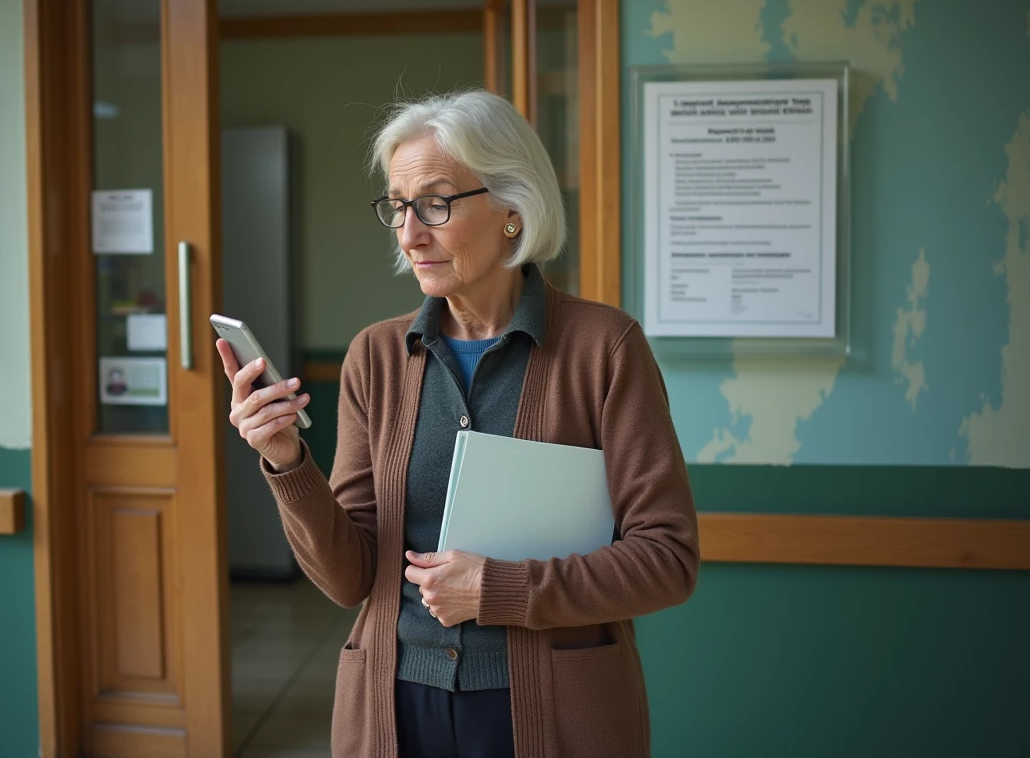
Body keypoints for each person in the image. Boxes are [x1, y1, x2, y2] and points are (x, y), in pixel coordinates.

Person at [215, 89, 699, 758]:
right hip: (394, 705)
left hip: (556, 712)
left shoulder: (605, 348)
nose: (410, 233)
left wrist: (498, 590)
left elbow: (666, 561)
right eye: (398, 206)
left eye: (436, 204)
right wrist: (287, 462)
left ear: (511, 207)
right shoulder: (374, 356)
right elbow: (350, 579)